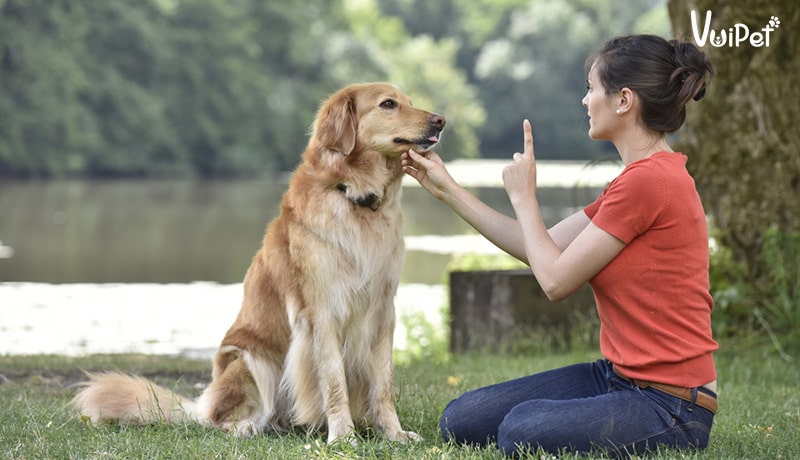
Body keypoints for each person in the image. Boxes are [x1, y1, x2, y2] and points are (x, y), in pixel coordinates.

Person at [401, 34, 718, 457]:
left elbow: (553, 281)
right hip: (620, 377)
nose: (585, 101)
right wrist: (447, 190)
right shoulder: (635, 180)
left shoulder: (650, 182)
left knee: (520, 431)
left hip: (673, 406)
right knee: (461, 419)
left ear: (624, 100)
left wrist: (524, 198)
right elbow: (542, 247)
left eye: (591, 88)